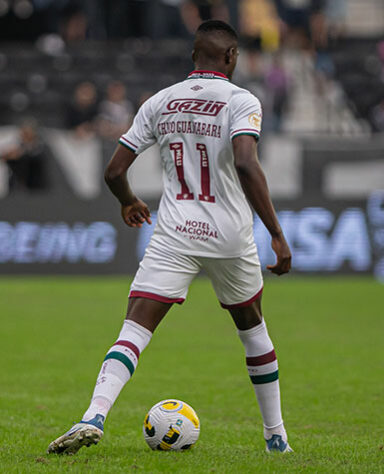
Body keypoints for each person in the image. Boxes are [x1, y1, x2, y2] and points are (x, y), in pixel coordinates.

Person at [47, 20, 294, 455]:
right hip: (230, 235)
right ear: (231, 57)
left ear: (193, 57)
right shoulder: (241, 100)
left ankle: (93, 416)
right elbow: (246, 163)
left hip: (175, 231)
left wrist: (127, 200)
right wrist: (276, 232)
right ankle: (276, 438)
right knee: (253, 330)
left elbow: (113, 172)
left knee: (134, 330)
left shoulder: (159, 101)